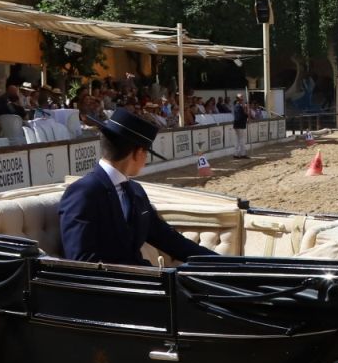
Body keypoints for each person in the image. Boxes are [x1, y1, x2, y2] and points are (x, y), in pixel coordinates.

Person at [59, 108, 218, 266]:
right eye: (147, 153)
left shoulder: (136, 191)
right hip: (121, 281)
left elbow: (169, 239)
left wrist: (222, 262)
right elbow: (81, 262)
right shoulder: (83, 192)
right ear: (138, 153)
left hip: (148, 277)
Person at [231, 91, 250, 158]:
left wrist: (245, 110)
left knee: (238, 140)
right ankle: (242, 154)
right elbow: (241, 116)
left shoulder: (238, 106)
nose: (242, 100)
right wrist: (246, 112)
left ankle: (236, 154)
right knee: (241, 140)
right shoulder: (238, 106)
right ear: (238, 99)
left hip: (238, 124)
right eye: (241, 98)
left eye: (242, 98)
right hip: (239, 125)